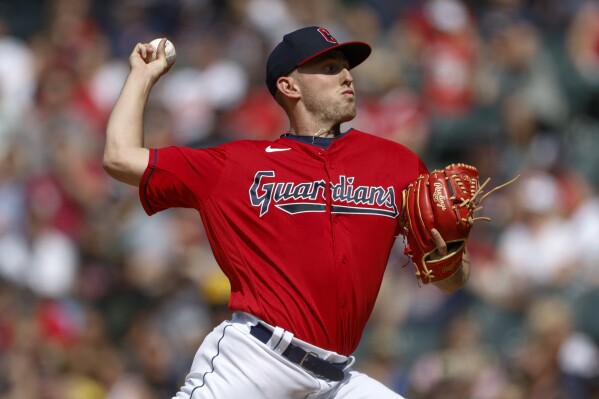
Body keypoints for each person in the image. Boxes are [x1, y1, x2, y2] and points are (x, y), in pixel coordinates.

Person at [103, 26, 471, 399]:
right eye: (329, 68)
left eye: (346, 67)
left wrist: (450, 259)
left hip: (335, 378)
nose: (347, 76)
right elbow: (119, 157)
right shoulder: (235, 165)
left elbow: (450, 281)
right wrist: (142, 76)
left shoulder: (398, 164)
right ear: (289, 87)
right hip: (254, 363)